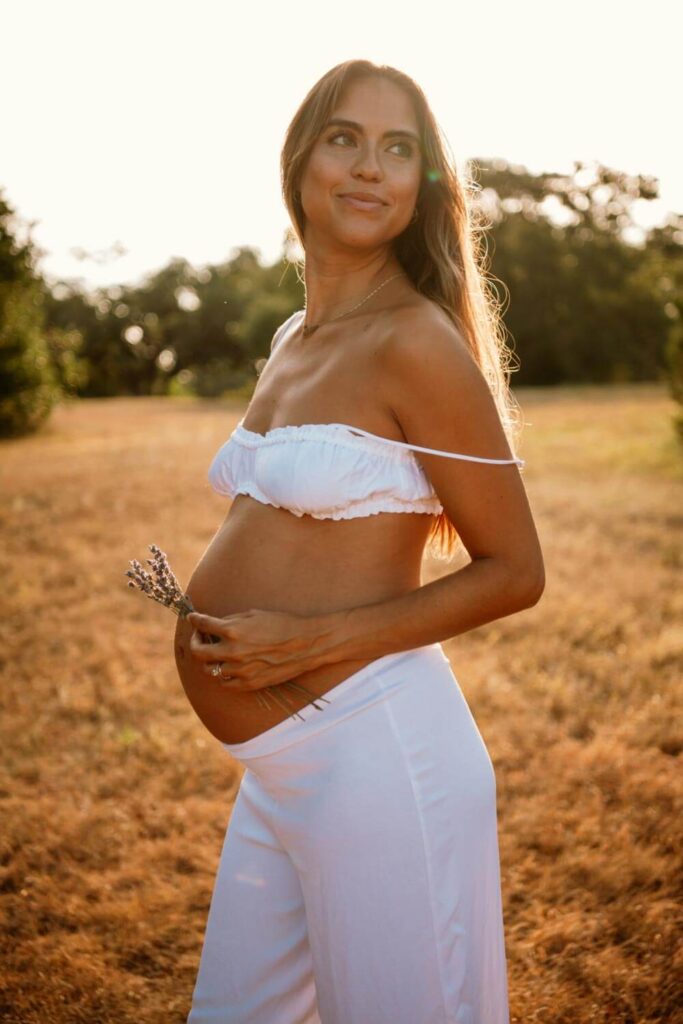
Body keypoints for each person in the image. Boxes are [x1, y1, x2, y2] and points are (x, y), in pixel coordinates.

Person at [179, 59, 545, 1024]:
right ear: (299, 159)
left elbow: (517, 570)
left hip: (376, 752)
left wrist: (317, 644)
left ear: (424, 183)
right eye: (344, 137)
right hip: (286, 765)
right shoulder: (296, 335)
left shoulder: (415, 341)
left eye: (398, 148)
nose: (369, 167)